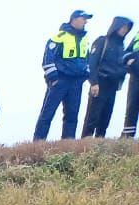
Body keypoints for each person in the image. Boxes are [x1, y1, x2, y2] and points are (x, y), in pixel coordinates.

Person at [34, 11, 94, 140]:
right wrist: (54, 78)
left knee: (72, 116)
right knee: (47, 114)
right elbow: (47, 59)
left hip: (76, 83)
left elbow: (87, 60)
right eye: (83, 19)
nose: (86, 22)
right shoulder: (58, 37)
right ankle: (37, 145)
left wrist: (85, 76)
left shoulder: (85, 39)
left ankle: (68, 147)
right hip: (60, 81)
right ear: (74, 19)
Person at [82, 16, 134, 136]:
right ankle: (85, 147)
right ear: (116, 26)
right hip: (100, 84)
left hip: (113, 86)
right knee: (92, 118)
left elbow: (121, 67)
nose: (124, 30)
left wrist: (126, 67)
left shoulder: (122, 47)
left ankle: (99, 148)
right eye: (123, 27)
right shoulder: (102, 41)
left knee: (105, 119)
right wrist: (94, 82)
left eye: (126, 28)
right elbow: (92, 62)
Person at [122, 29, 139, 135]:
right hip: (135, 77)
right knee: (131, 108)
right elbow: (126, 54)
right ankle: (127, 140)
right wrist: (129, 63)